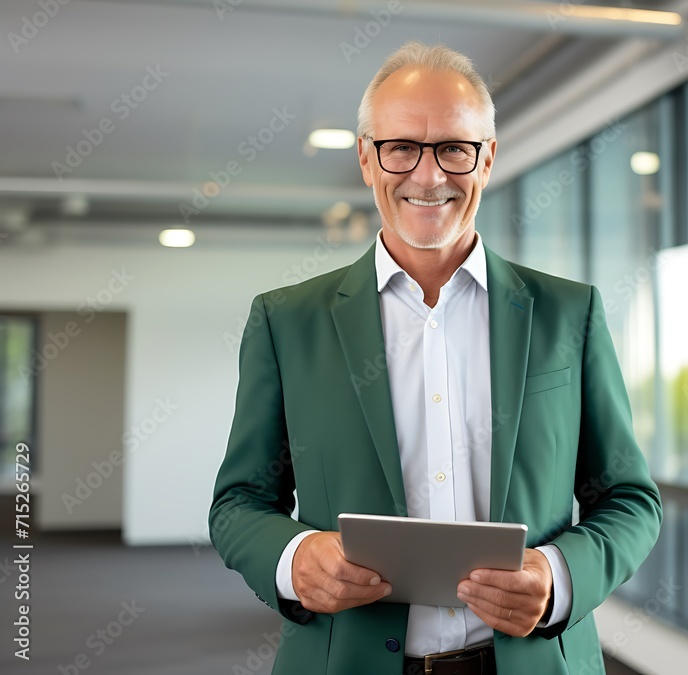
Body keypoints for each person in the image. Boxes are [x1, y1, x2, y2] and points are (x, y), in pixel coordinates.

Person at [210, 41, 662, 675]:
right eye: (401, 148)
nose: (429, 176)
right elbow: (237, 503)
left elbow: (630, 499)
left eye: (455, 147)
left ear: (488, 159)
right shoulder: (287, 322)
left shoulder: (569, 314)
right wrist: (294, 557)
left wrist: (559, 574)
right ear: (367, 159)